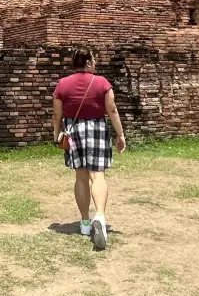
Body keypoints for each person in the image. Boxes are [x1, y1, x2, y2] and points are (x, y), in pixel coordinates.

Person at [52, 47, 126, 250]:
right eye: (93, 61)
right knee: (97, 175)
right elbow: (112, 109)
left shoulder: (62, 84)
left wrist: (56, 134)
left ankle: (85, 222)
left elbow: (57, 114)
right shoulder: (101, 82)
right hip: (96, 127)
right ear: (88, 63)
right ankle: (100, 217)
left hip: (73, 130)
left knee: (81, 176)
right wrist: (120, 134)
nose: (95, 64)